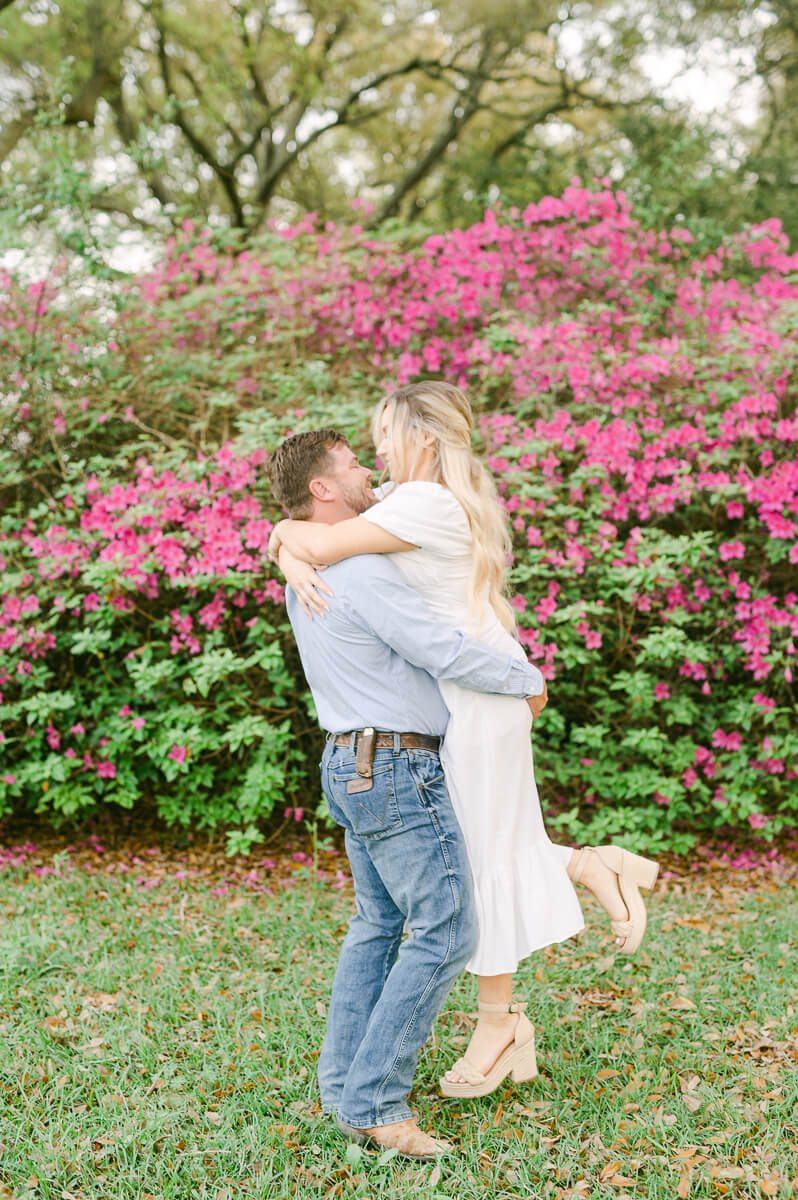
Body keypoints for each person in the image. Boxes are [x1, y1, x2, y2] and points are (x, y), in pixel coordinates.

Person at [269, 383, 660, 1100]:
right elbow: (307, 520)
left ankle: (498, 1025)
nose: (376, 454)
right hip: (458, 690)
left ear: (420, 437)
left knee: (475, 858)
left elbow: (314, 532)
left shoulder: (419, 502)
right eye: (365, 448)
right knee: (477, 849)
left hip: (482, 686)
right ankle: (586, 868)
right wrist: (285, 547)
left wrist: (291, 551)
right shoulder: (398, 497)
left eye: (383, 435)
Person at [267, 429, 549, 1159]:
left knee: (376, 925)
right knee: (447, 931)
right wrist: (528, 680)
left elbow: (354, 517)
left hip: (348, 762)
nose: (370, 471)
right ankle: (375, 1103)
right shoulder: (360, 572)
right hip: (394, 767)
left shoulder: (313, 564)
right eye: (354, 466)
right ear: (324, 489)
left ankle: (341, 1085)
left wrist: (280, 537)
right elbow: (441, 648)